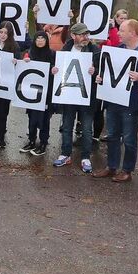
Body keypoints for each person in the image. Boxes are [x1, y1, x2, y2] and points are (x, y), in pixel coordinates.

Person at [93, 19, 138, 182]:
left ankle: (127, 170)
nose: (118, 33)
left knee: (129, 138)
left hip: (132, 103)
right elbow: (110, 72)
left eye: (121, 30)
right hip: (114, 100)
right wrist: (101, 78)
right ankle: (111, 166)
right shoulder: (118, 50)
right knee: (112, 135)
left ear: (133, 33)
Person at [52, 23, 98, 172]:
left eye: (87, 34)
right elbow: (59, 69)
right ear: (73, 35)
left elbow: (102, 72)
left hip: (87, 97)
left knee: (86, 129)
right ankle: (65, 154)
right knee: (66, 126)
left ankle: (85, 157)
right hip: (69, 96)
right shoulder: (65, 49)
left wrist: (95, 71)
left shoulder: (95, 51)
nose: (85, 37)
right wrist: (55, 70)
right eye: (82, 34)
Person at [19, 31, 53, 156]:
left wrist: (53, 70)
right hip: (32, 93)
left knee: (44, 119)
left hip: (46, 93)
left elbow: (56, 69)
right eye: (37, 38)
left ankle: (43, 143)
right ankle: (32, 141)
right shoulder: (30, 52)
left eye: (42, 38)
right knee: (32, 117)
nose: (40, 40)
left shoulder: (51, 53)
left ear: (46, 40)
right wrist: (24, 62)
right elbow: (22, 66)